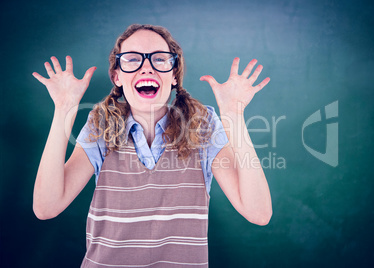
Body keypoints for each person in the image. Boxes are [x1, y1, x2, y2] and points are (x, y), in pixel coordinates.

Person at [32, 24, 272, 267]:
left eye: (159, 59)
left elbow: (259, 213)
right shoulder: (101, 125)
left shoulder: (203, 125)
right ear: (117, 76)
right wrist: (64, 107)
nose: (146, 67)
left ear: (174, 74)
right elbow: (46, 207)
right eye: (132, 59)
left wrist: (234, 114)